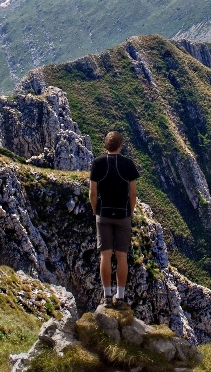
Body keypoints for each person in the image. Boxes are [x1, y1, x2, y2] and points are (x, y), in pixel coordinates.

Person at [89, 131, 139, 308]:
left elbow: (93, 192)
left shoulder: (97, 163)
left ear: (106, 145)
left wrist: (96, 211)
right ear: (120, 145)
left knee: (105, 255)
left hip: (103, 213)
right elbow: (132, 193)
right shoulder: (128, 164)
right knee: (121, 256)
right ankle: (120, 297)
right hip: (123, 214)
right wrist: (130, 212)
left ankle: (107, 296)